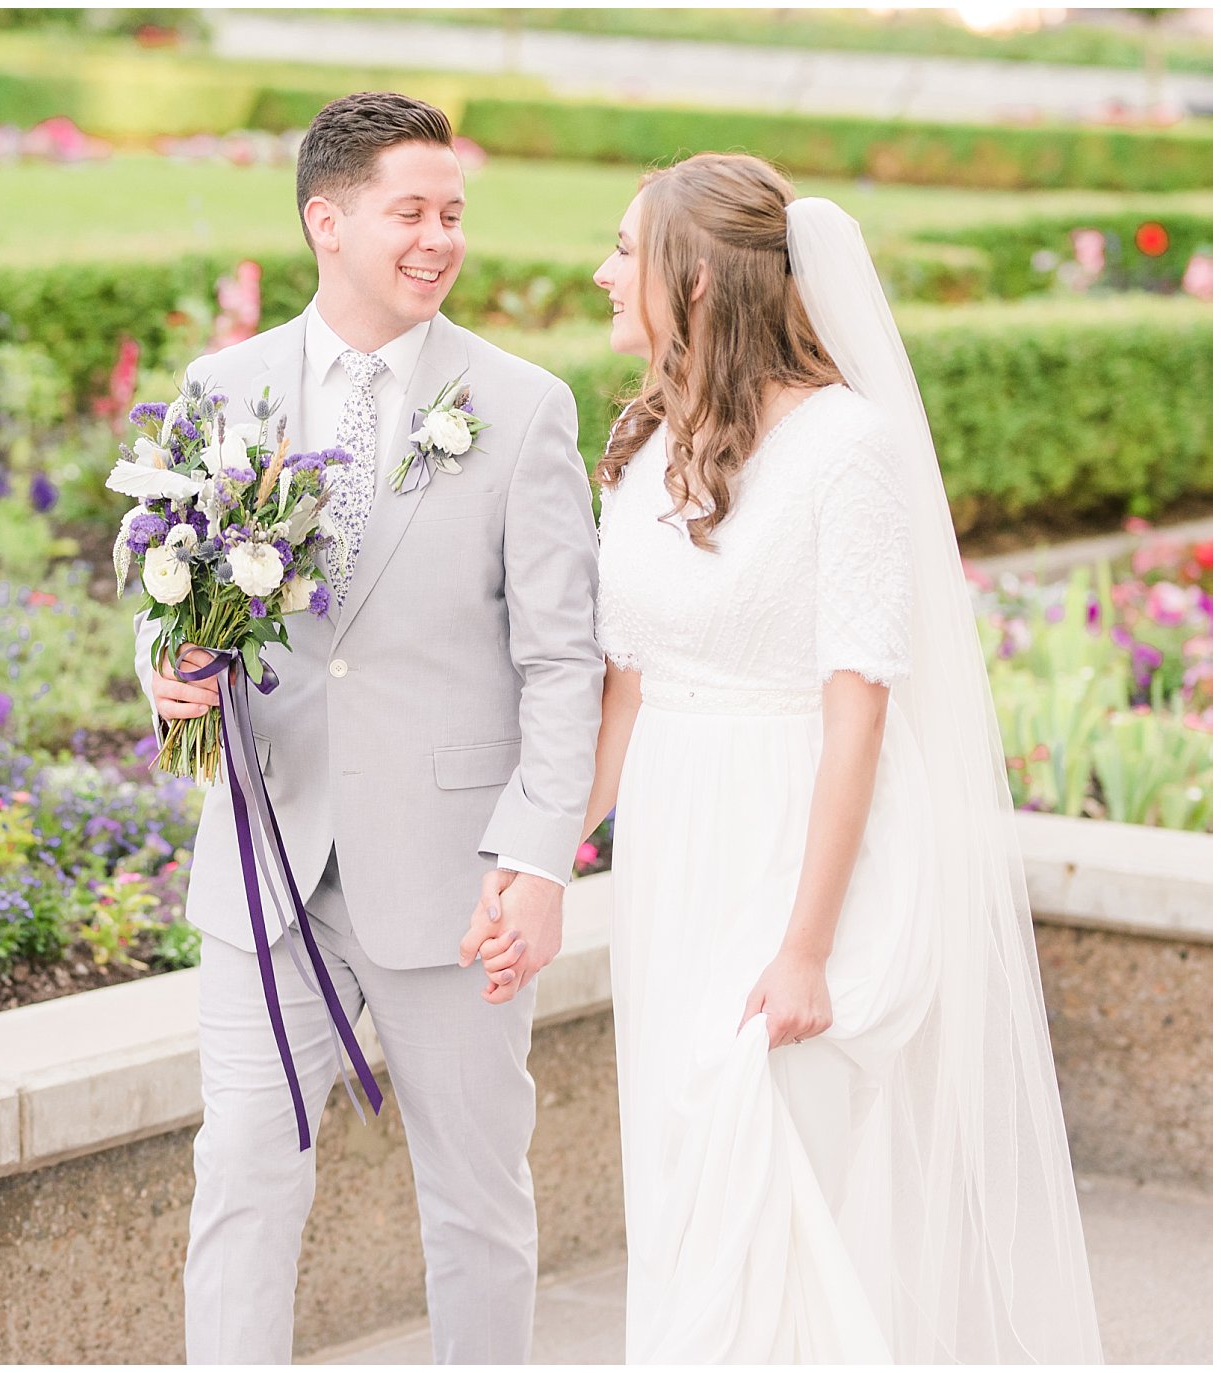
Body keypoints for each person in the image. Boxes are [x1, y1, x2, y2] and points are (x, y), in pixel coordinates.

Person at [583, 152, 1103, 1362]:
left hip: (797, 839)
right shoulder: (651, 437)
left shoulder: (844, 449)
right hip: (673, 842)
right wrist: (548, 845)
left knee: (766, 1156)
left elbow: (856, 702)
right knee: (682, 1166)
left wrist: (805, 945)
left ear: (696, 277)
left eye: (623, 249)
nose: (602, 272)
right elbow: (623, 681)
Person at [136, 91, 603, 1363]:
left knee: (474, 1201)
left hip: (454, 878)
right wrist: (165, 669)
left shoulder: (519, 406)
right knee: (238, 1173)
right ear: (324, 220)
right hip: (260, 862)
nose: (438, 237)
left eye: (452, 212)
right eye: (410, 210)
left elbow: (562, 657)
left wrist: (537, 858)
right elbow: (160, 583)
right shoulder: (217, 389)